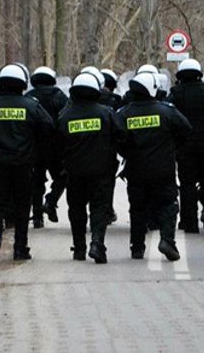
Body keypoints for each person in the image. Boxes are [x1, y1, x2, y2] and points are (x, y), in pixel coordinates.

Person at [0, 64, 54, 263]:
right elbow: (48, 127)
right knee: (22, 205)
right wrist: (36, 147)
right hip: (23, 164)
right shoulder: (31, 105)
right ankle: (20, 248)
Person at [116, 73, 192, 261]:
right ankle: (167, 240)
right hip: (163, 169)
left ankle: (137, 247)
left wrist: (129, 153)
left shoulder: (124, 114)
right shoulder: (167, 111)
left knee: (137, 208)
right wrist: (171, 147)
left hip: (135, 170)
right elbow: (186, 129)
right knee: (168, 204)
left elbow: (116, 139)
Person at [57, 73, 121, 263]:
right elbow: (120, 135)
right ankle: (97, 243)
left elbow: (56, 145)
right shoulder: (106, 113)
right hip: (101, 171)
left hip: (74, 172)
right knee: (99, 208)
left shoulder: (64, 115)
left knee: (76, 209)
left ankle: (79, 249)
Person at [167, 58, 204, 233]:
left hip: (185, 146)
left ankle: (189, 222)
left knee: (187, 183)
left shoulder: (175, 93)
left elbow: (169, 116)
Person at [25, 66, 69, 228]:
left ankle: (37, 216)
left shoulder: (29, 97)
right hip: (55, 147)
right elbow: (66, 117)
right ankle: (51, 201)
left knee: (36, 180)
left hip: (33, 146)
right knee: (62, 177)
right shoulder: (59, 96)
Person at [99, 68, 122, 224]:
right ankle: (106, 210)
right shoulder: (116, 101)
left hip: (81, 149)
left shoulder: (79, 103)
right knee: (107, 182)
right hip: (108, 150)